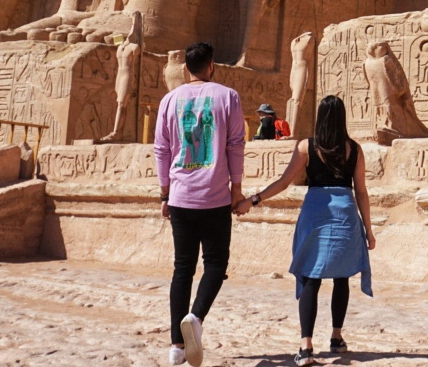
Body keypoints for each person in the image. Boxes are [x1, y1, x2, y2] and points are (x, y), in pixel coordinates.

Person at [239, 95, 374, 366]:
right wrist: (368, 230)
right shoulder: (355, 149)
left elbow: (284, 182)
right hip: (345, 213)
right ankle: (336, 337)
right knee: (342, 277)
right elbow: (361, 191)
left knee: (311, 277)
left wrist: (253, 200)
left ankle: (306, 346)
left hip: (316, 213)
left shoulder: (306, 147)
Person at [153, 41, 246, 367]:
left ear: (185, 69)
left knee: (182, 269)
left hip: (180, 195)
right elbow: (236, 145)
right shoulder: (227, 96)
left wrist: (164, 194)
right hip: (215, 196)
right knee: (216, 264)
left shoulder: (169, 100)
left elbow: (162, 150)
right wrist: (237, 190)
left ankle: (176, 347)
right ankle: (196, 316)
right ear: (211, 65)